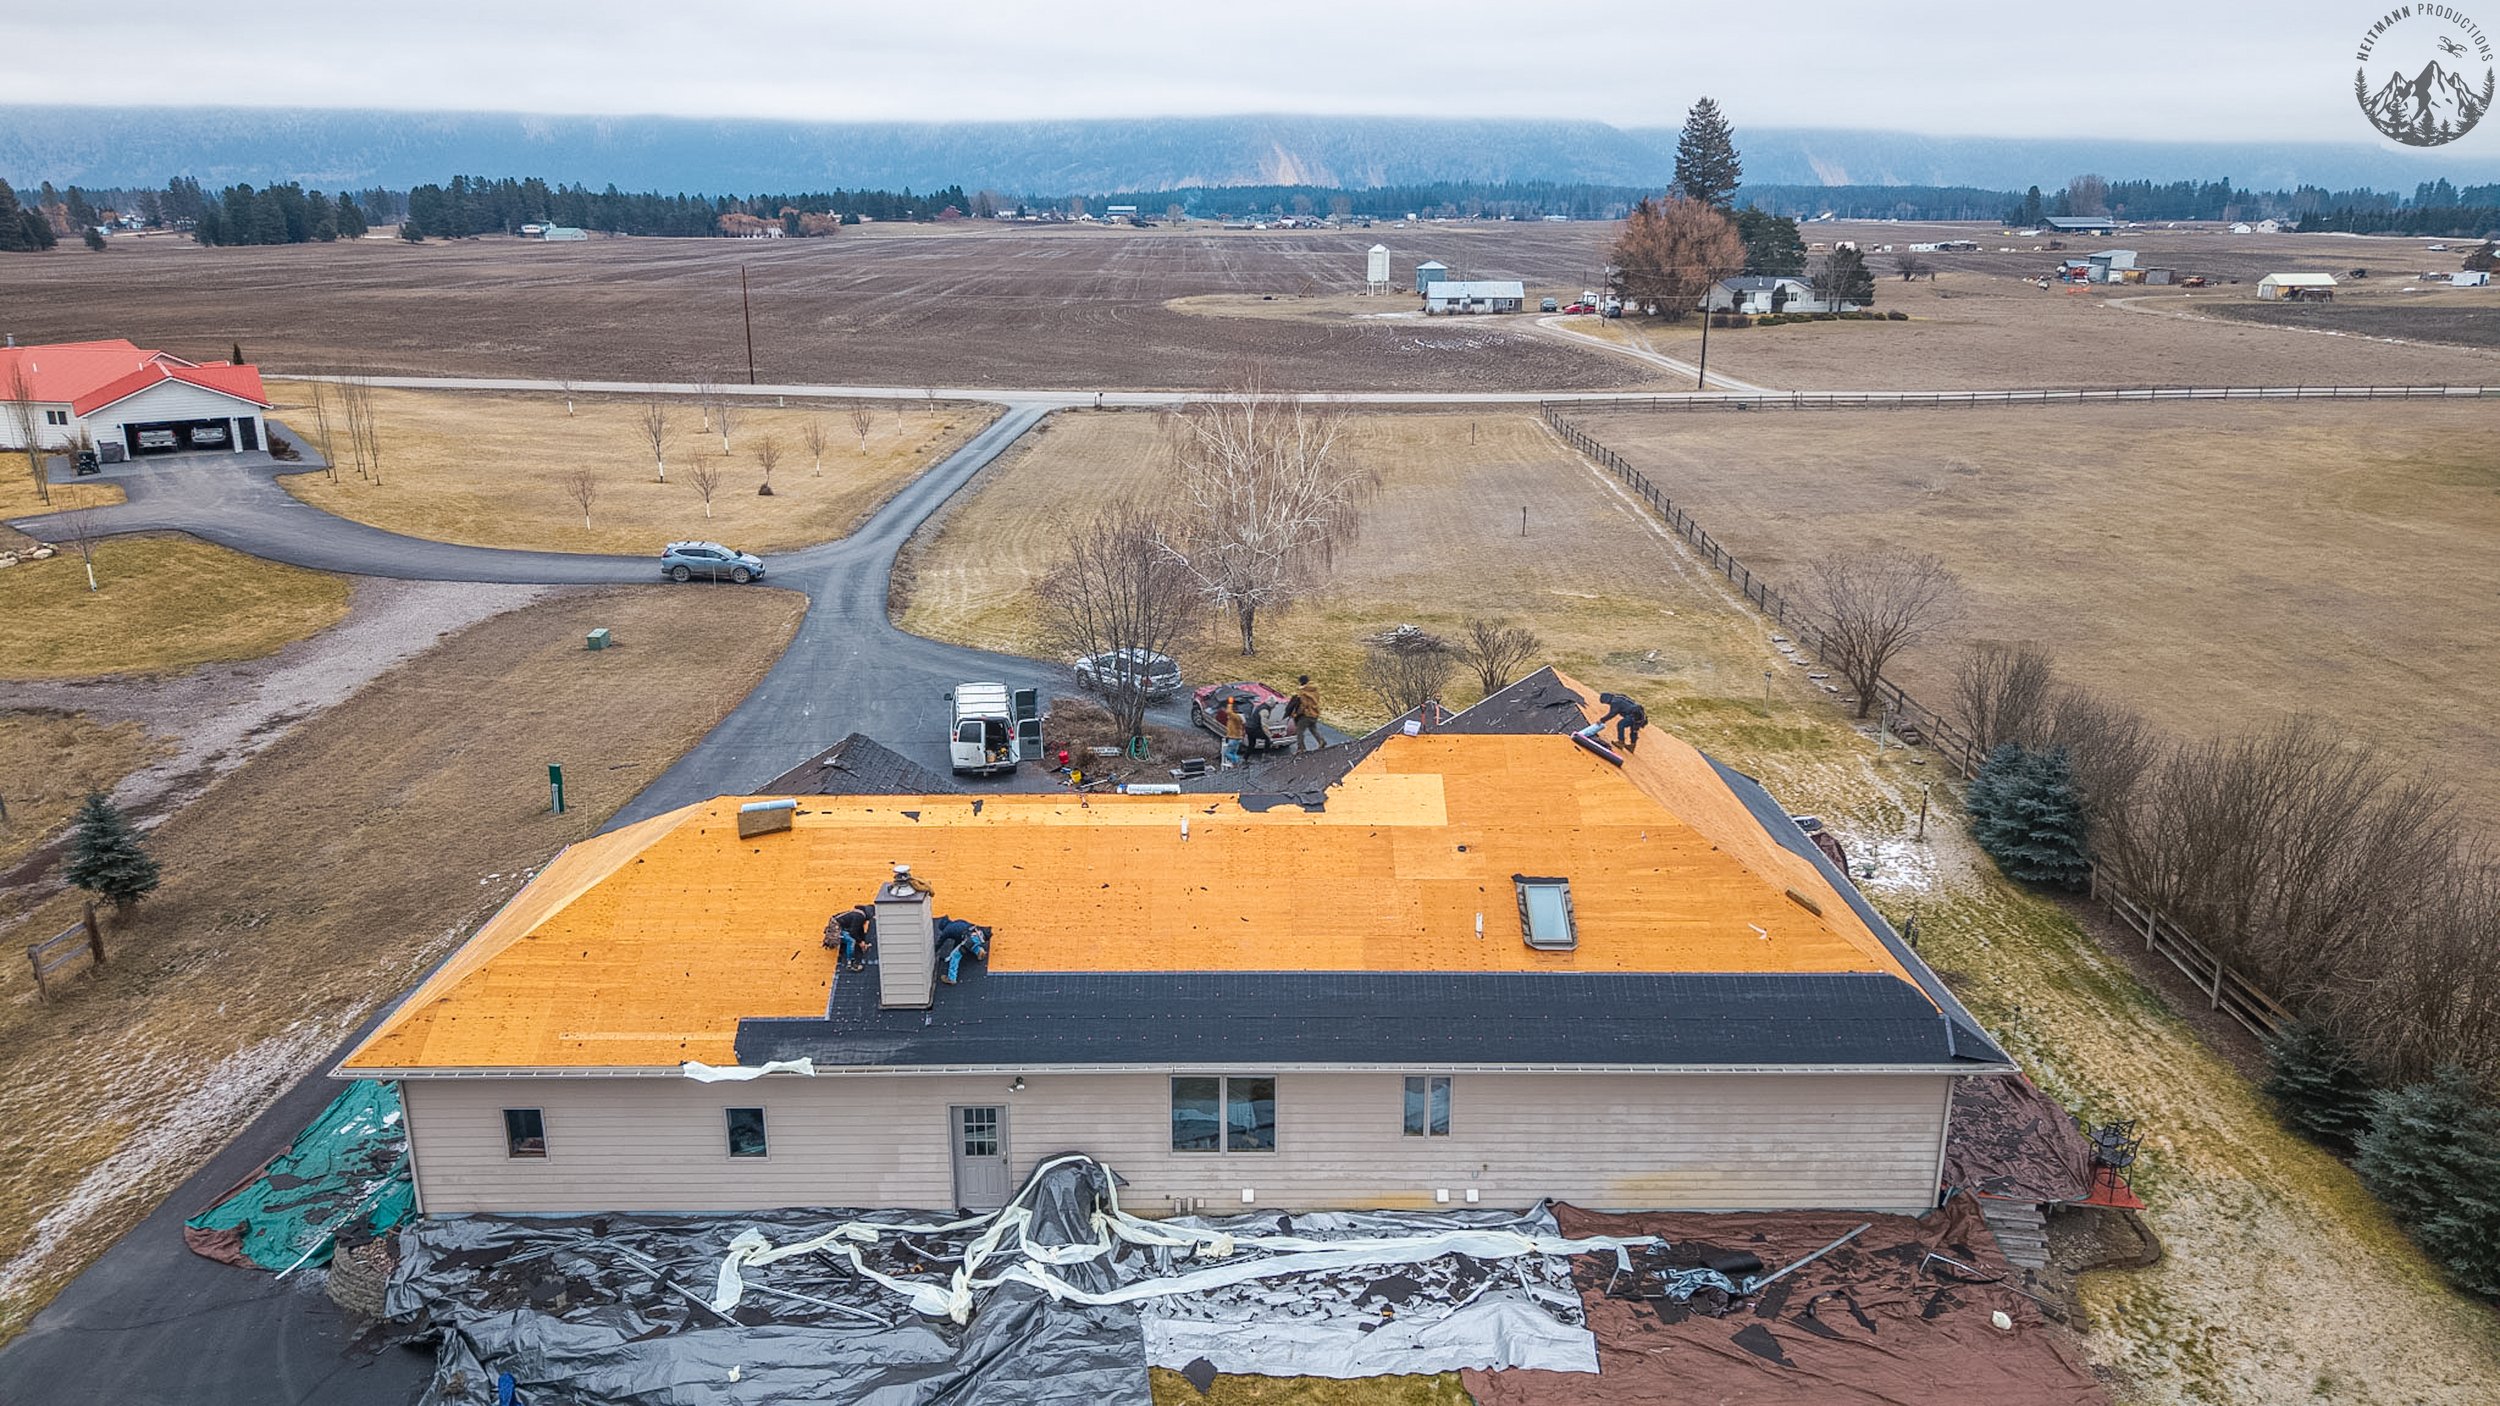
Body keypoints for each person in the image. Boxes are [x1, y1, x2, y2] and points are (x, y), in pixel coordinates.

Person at [934, 916, 991, 984]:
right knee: (970, 945)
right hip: (977, 934)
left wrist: (934, 951)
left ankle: (951, 978)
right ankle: (979, 951)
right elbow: (958, 940)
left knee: (955, 956)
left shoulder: (946, 931)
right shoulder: (957, 922)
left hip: (969, 939)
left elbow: (940, 943)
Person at [823, 904, 877, 972]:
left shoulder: (859, 914)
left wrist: (862, 940)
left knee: (852, 938)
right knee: (851, 941)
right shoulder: (859, 917)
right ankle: (850, 964)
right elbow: (853, 932)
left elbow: (859, 929)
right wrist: (860, 942)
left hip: (840, 927)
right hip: (836, 929)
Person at [1286, 675, 1324, 752]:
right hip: (1314, 713)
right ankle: (1321, 741)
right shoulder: (1315, 690)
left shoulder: (1304, 693)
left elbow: (1303, 705)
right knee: (1313, 728)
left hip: (1306, 715)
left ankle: (1301, 748)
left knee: (1299, 731)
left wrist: (1296, 714)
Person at [1215, 697, 1244, 767]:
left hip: (1234, 738)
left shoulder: (1236, 717)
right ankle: (1235, 763)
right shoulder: (1238, 717)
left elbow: (1229, 712)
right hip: (1237, 738)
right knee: (1233, 753)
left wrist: (1230, 703)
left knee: (1227, 753)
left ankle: (1237, 762)